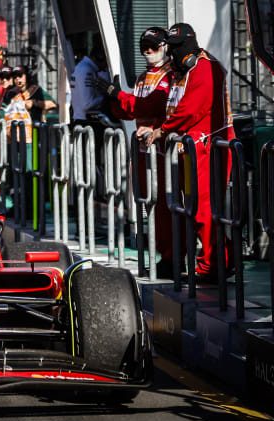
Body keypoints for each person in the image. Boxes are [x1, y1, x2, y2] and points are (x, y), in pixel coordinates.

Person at [137, 23, 234, 281]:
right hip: (189, 148)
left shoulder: (205, 68)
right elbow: (164, 102)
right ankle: (188, 258)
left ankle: (214, 265)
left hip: (208, 148)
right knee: (186, 208)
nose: (174, 53)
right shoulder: (183, 70)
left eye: (178, 47)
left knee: (205, 209)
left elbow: (191, 109)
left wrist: (162, 130)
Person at [94, 27, 178, 277]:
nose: (148, 51)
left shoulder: (170, 75)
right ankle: (161, 253)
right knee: (148, 202)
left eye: (153, 46)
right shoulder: (143, 77)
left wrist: (117, 94)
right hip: (142, 149)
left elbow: (150, 104)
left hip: (163, 148)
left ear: (165, 46)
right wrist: (111, 100)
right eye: (144, 47)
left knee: (166, 204)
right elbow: (130, 110)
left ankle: (173, 257)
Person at [71, 42, 109, 125]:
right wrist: (107, 97)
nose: (106, 65)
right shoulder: (87, 70)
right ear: (100, 58)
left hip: (81, 119)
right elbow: (87, 104)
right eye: (106, 61)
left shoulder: (81, 67)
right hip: (86, 121)